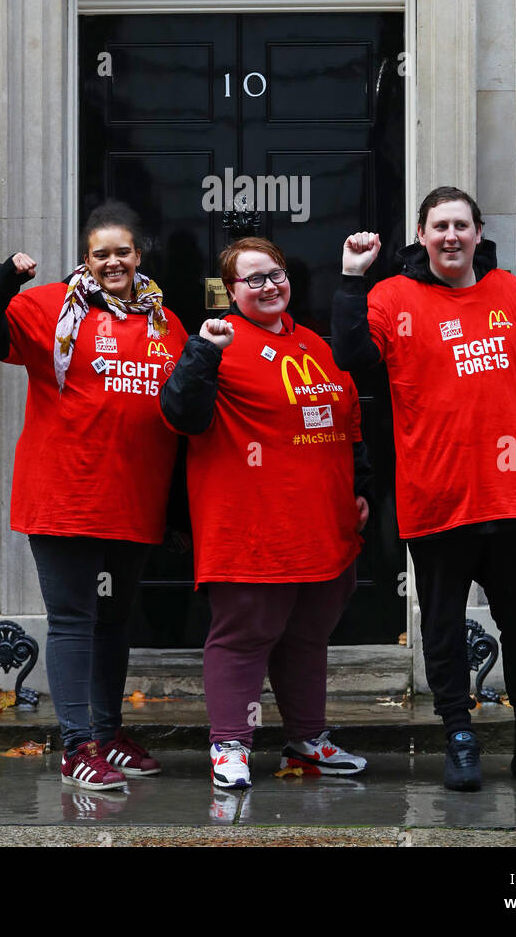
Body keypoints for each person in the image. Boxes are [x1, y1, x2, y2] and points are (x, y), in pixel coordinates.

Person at [331, 186, 516, 792]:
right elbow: (350, 358)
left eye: (461, 226)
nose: (450, 237)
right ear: (422, 234)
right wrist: (351, 279)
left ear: (477, 232)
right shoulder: (392, 297)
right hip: (436, 495)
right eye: (439, 226)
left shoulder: (513, 294)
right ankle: (458, 735)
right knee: (441, 626)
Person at [0, 200, 187, 791]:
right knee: (71, 621)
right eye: (100, 253)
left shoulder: (167, 323)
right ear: (85, 258)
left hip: (134, 497)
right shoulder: (49, 308)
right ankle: (76, 745)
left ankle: (107, 736)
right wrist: (7, 273)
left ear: (139, 256)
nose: (113, 262)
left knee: (114, 624)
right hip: (65, 494)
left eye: (123, 251)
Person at [160, 236, 372, 789]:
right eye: (252, 279)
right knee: (244, 635)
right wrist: (202, 352)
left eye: (275, 273)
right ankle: (230, 744)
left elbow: (348, 421)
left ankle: (306, 743)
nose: (268, 285)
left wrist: (361, 485)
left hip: (323, 525)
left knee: (307, 637)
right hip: (250, 526)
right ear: (230, 292)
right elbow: (180, 415)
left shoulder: (317, 346)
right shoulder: (218, 342)